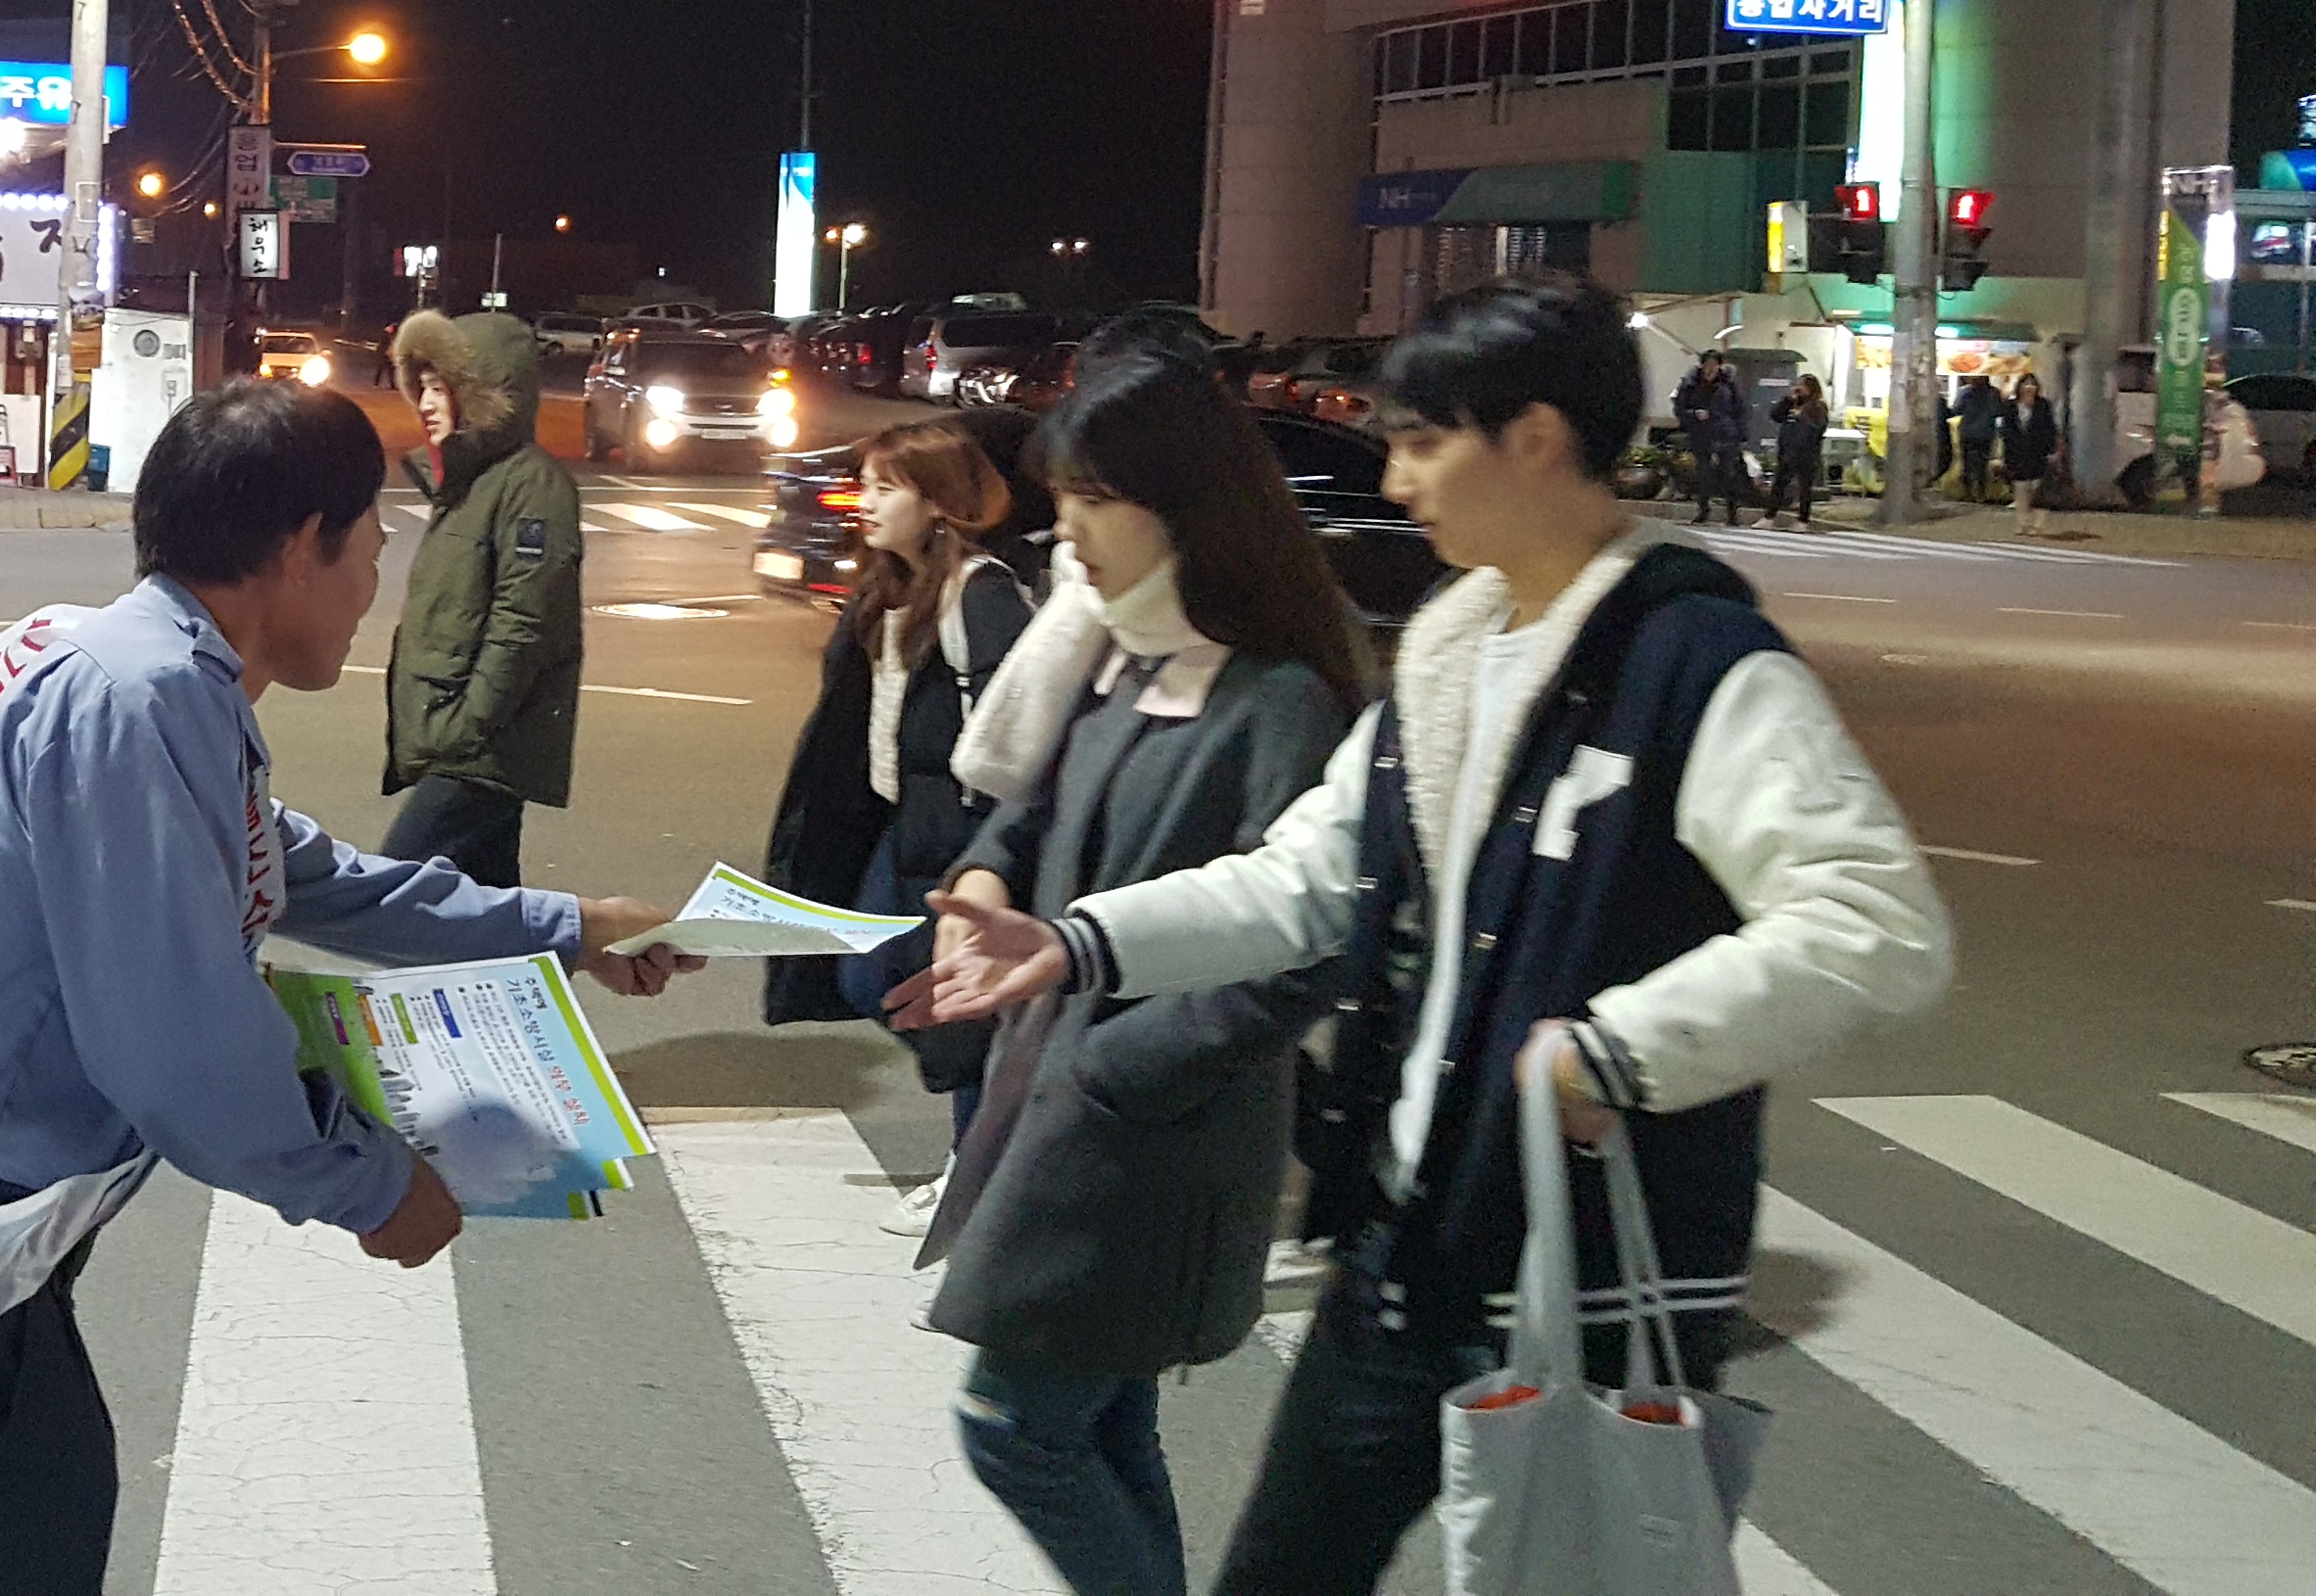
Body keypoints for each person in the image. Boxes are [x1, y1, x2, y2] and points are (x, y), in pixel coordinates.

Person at [899, 272, 1953, 1596]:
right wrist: (1077, 942)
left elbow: (1872, 920)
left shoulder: (1692, 658)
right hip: (1406, 1246)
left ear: (1536, 439)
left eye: (1421, 442)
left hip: (1578, 1277)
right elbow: (1308, 880)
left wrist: (1619, 1052)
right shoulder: (1453, 649)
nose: (1395, 481)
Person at [0, 379, 698, 1594]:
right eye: (370, 549)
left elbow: (308, 875)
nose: (375, 588)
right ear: (301, 547)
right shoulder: (138, 701)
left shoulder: (111, 660)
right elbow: (176, 1050)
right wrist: (372, 1185)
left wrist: (569, 927)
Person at [884, 351, 1367, 1596]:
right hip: (1068, 1100)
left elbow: (1303, 951)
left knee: (1016, 1430)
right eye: (1065, 499)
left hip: (1153, 1135)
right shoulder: (1134, 657)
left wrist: (1114, 1071)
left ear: (1185, 505)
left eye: (1096, 500)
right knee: (1102, 1423)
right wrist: (986, 885)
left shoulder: (1280, 700)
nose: (1069, 531)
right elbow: (1033, 816)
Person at [758, 419, 1032, 1233]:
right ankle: (997, 1135)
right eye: (866, 485)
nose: (865, 502)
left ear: (939, 502)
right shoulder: (888, 587)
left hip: (962, 835)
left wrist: (996, 848)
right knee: (870, 978)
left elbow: (1018, 731)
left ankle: (977, 1169)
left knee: (956, 1005)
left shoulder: (980, 594)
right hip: (898, 821)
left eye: (886, 488)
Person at [379, 308, 584, 889]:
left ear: (482, 392)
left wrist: (468, 724)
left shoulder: (530, 484)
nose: (425, 403)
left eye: (440, 388)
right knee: (489, 910)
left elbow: (525, 622)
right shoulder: (467, 481)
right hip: (467, 743)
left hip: (479, 752)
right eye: (421, 388)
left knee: (393, 893)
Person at [1671, 354, 1748, 526]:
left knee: (1729, 472)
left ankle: (1732, 513)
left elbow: (1740, 409)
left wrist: (1742, 435)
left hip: (1726, 433)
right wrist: (1693, 415)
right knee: (1703, 472)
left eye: (1714, 365)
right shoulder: (1690, 383)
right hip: (1701, 433)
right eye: (1707, 365)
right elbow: (1680, 408)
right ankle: (1703, 510)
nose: (1710, 369)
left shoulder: (1729, 383)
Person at [2000, 373, 2061, 536]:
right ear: (2019, 387)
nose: (2029, 387)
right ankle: (2023, 524)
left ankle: (2038, 525)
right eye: (2026, 384)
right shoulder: (2011, 406)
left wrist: (2052, 450)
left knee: (2038, 490)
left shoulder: (2043, 405)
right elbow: (2005, 430)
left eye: (2032, 384)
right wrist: (2005, 452)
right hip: (2017, 454)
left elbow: (2050, 428)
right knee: (2020, 490)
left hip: (2038, 453)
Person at [1768, 374, 1830, 531]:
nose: (1799, 388)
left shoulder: (1817, 407)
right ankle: (1769, 516)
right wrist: (1787, 400)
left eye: (1802, 386)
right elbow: (1775, 415)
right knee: (1779, 485)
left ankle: (1803, 519)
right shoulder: (1792, 404)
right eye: (1798, 385)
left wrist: (1802, 419)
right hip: (1787, 451)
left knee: (1804, 488)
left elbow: (1817, 429)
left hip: (1806, 454)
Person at [1954, 370, 2007, 503]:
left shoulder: (1964, 392)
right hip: (1985, 433)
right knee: (1982, 464)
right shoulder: (1994, 393)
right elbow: (1998, 411)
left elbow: (1956, 410)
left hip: (1968, 432)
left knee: (1967, 463)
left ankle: (1968, 492)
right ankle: (1980, 493)